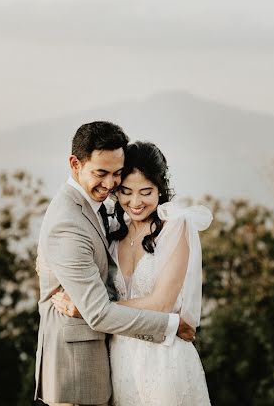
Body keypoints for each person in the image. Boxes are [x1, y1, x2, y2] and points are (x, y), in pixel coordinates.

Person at [34, 122, 195, 406]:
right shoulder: (68, 222)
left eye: (116, 174)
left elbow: (103, 298)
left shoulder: (102, 214)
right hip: (76, 373)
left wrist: (85, 306)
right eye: (101, 173)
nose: (110, 185)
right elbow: (97, 313)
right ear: (75, 164)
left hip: (126, 363)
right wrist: (171, 326)